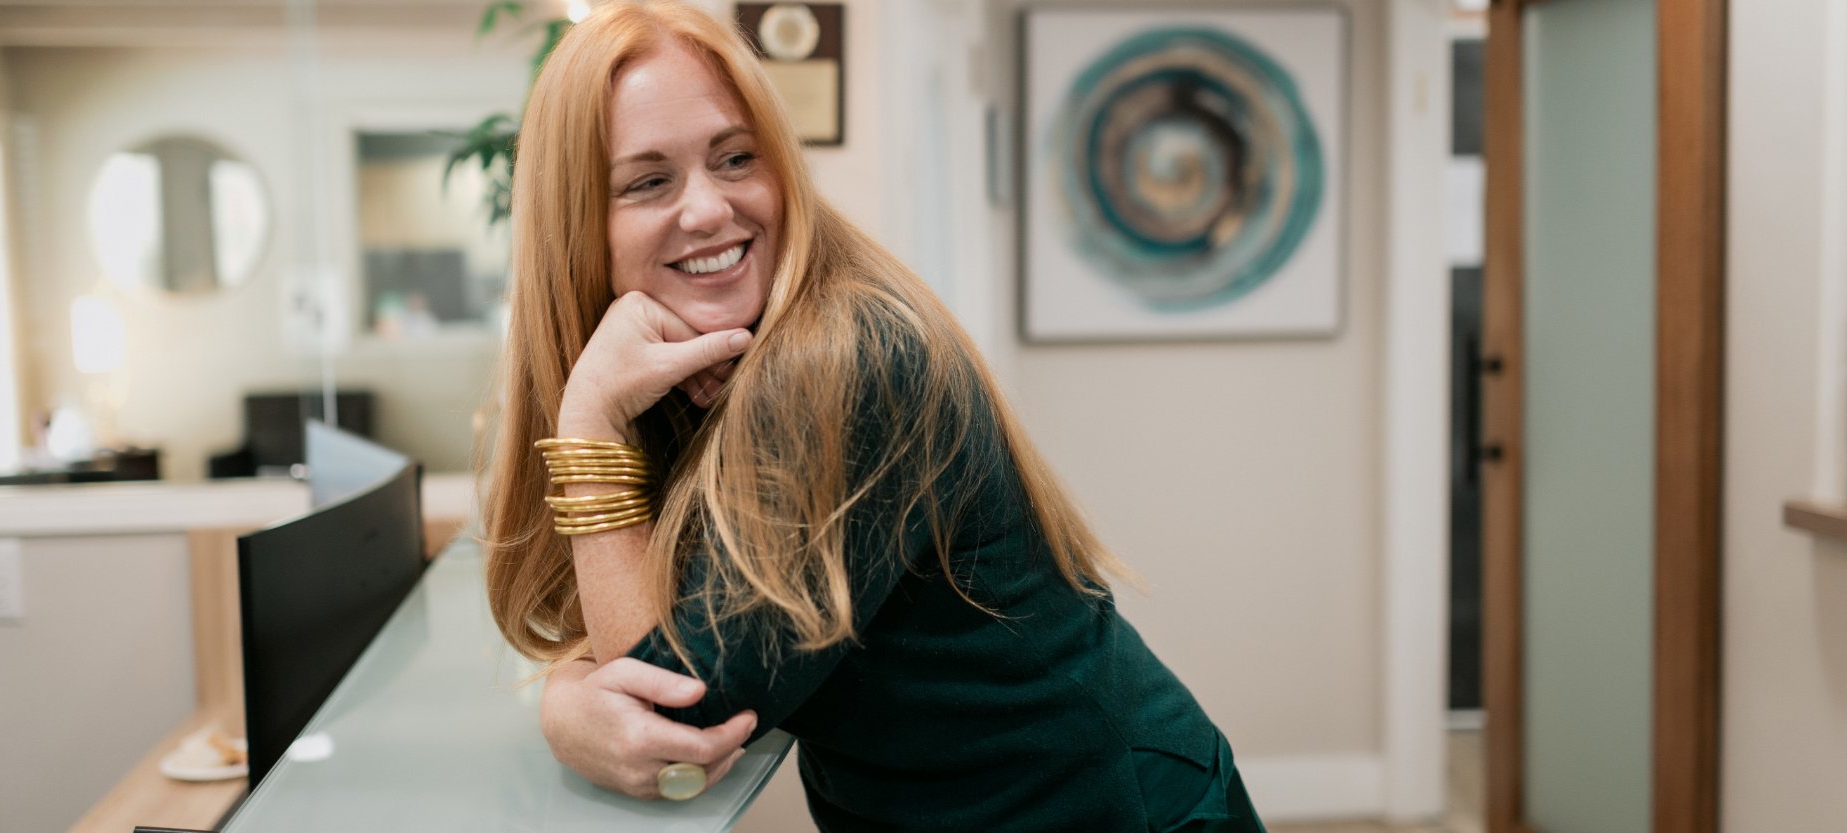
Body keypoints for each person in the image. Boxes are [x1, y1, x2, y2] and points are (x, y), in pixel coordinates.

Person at [481, 2, 1266, 830]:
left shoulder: (843, 362)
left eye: (735, 157)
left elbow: (672, 716)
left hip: (1108, 808)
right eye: (648, 181)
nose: (707, 208)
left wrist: (588, 428)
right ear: (576, 222)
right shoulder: (691, 368)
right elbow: (619, 626)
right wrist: (575, 684)